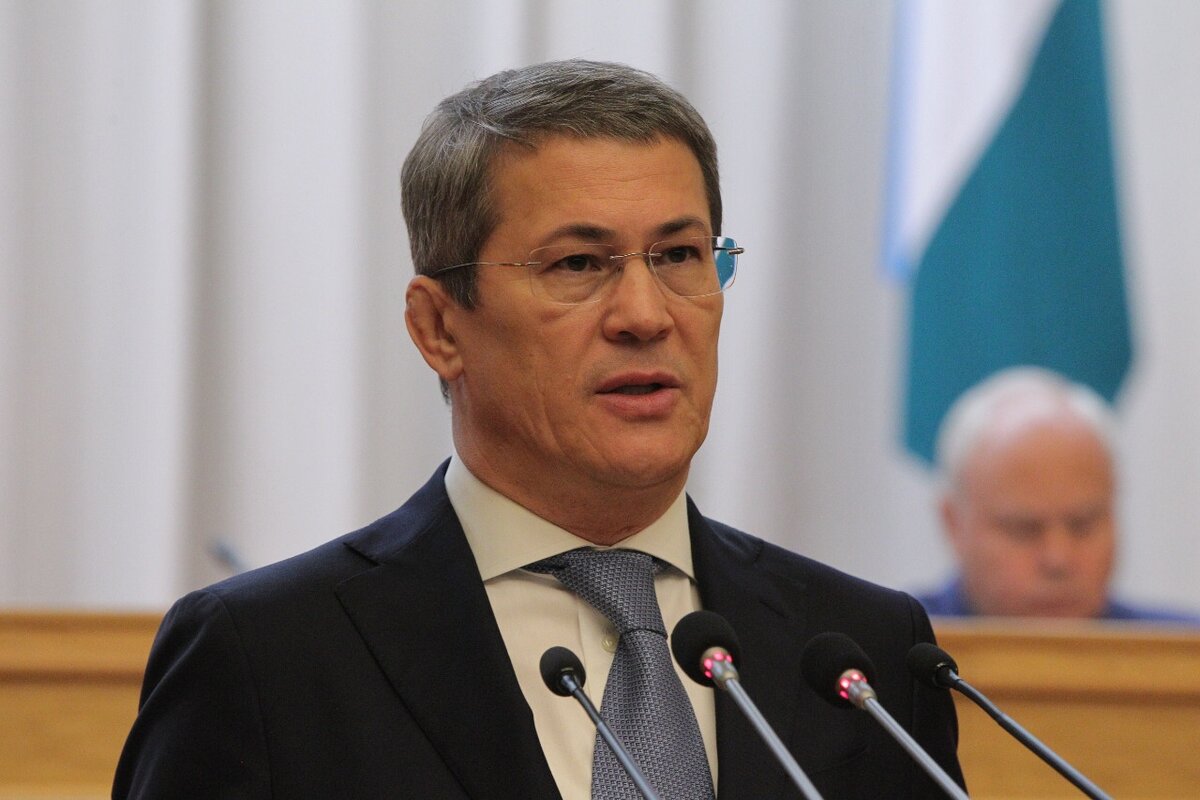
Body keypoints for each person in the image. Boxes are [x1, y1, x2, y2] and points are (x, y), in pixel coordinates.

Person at [114, 59, 963, 799]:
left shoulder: (864, 655)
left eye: (679, 255)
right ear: (439, 328)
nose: (646, 315)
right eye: (578, 264)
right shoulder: (268, 659)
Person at [917, 366, 1198, 621]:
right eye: (1024, 530)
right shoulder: (897, 649)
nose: (1058, 560)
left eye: (1082, 525)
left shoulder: (1183, 652)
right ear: (953, 524)